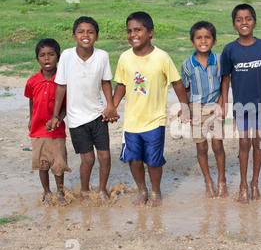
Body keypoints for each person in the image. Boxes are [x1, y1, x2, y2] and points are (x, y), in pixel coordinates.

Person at [112, 11, 190, 207]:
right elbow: (120, 85)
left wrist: (184, 107)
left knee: (153, 160)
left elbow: (177, 83)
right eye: (129, 31)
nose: (133, 34)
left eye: (138, 30)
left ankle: (156, 192)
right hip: (131, 121)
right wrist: (111, 107)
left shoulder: (161, 57)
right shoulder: (124, 58)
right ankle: (142, 190)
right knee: (135, 160)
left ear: (150, 32)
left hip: (155, 120)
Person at [49, 16, 118, 203]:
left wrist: (110, 107)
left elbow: (106, 82)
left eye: (90, 32)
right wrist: (56, 115)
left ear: (96, 36)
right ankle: (85, 191)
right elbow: (61, 86)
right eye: (81, 32)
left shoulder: (102, 56)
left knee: (104, 156)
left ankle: (102, 189)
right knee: (87, 160)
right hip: (76, 118)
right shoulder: (67, 56)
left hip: (98, 114)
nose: (85, 35)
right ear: (74, 36)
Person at [221, 3, 261, 204]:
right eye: (239, 19)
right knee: (244, 142)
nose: (244, 22)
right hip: (241, 105)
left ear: (255, 22)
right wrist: (224, 101)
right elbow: (226, 78)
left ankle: (255, 183)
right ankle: (243, 185)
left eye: (248, 19)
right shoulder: (229, 49)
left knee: (258, 142)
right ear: (234, 25)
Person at [181, 21, 227, 198]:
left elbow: (224, 81)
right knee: (201, 148)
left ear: (214, 41)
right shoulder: (187, 65)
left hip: (215, 105)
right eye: (198, 38)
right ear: (192, 42)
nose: (203, 41)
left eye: (207, 37)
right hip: (196, 107)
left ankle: (221, 181)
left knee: (217, 145)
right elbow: (185, 89)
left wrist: (223, 104)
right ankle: (208, 181)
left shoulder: (220, 60)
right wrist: (185, 109)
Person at [25, 38, 71, 205]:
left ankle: (60, 192)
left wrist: (58, 118)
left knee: (58, 164)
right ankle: (46, 192)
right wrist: (31, 118)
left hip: (57, 131)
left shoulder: (62, 80)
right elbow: (31, 100)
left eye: (51, 55)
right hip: (37, 130)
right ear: (37, 58)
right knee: (42, 164)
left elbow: (66, 105)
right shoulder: (32, 81)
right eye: (42, 55)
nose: (47, 58)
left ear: (57, 58)